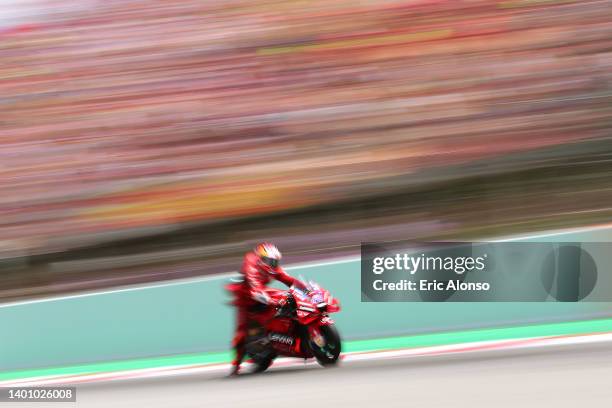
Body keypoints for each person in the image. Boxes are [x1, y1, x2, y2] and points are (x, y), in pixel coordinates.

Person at [229, 242, 307, 375]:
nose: (273, 265)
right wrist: (268, 300)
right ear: (261, 259)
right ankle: (236, 365)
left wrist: (305, 289)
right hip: (245, 296)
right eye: (270, 261)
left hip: (261, 290)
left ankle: (296, 335)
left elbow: (287, 279)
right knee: (242, 330)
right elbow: (254, 284)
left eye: (275, 262)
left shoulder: (272, 267)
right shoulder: (252, 263)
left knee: (288, 297)